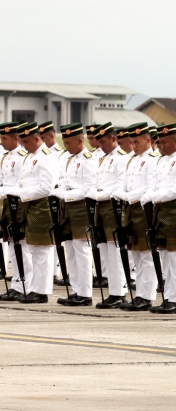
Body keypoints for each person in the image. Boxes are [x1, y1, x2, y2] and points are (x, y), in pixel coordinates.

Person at [5, 123, 57, 303]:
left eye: (26, 141)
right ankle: (33, 288)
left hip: (41, 206)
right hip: (28, 205)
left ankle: (41, 291)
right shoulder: (30, 156)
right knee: (33, 249)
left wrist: (21, 194)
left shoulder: (46, 157)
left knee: (42, 249)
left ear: (37, 139)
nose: (23, 145)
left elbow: (46, 187)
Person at [147, 124, 176, 314]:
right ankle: (168, 297)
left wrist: (155, 197)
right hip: (161, 213)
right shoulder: (161, 161)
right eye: (158, 142)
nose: (160, 146)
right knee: (166, 258)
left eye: (164, 142)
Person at [115, 123, 159, 311]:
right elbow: (122, 183)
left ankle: (147, 296)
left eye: (137, 142)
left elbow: (150, 186)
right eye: (131, 142)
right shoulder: (130, 160)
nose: (133, 146)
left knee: (146, 254)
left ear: (148, 140)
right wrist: (120, 193)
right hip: (130, 210)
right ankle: (140, 294)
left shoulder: (154, 159)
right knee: (136, 254)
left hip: (145, 209)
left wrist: (128, 196)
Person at [86, 123, 131, 309]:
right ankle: (113, 291)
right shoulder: (102, 158)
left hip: (113, 208)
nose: (100, 145)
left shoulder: (122, 159)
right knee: (105, 251)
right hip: (99, 208)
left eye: (103, 141)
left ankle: (119, 292)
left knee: (115, 253)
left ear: (114, 139)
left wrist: (100, 195)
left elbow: (121, 185)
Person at [53, 123, 96, 306]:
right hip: (68, 210)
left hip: (81, 210)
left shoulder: (88, 160)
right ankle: (76, 289)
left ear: (80, 140)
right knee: (71, 251)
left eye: (69, 142)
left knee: (82, 251)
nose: (65, 146)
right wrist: (60, 188)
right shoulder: (69, 159)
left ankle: (85, 293)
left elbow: (88, 189)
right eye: (64, 141)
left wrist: (65, 194)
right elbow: (65, 181)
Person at [0, 122, 29, 300]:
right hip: (6, 205)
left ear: (16, 138)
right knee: (12, 245)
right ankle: (17, 283)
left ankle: (25, 284)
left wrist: (4, 191)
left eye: (4, 138)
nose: (1, 142)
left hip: (18, 205)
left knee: (23, 247)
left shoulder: (21, 157)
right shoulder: (5, 157)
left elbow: (22, 185)